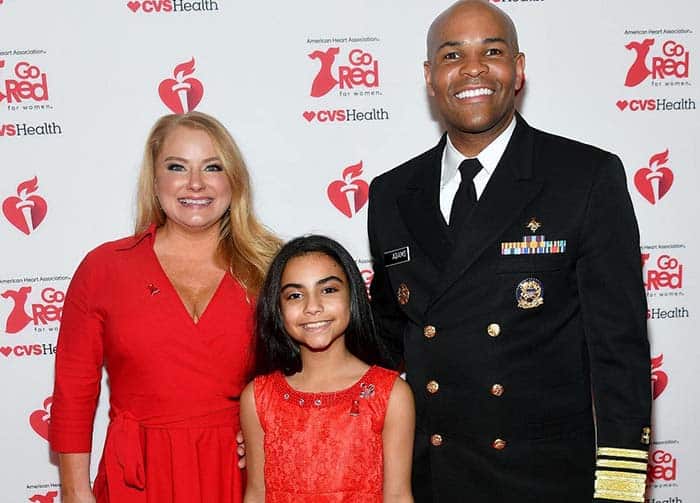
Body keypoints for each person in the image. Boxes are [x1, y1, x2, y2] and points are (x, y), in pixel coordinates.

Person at [367, 1, 652, 502]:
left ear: (517, 70)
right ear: (430, 77)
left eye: (491, 51)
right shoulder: (391, 192)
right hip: (434, 477)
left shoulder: (583, 178)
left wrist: (620, 487)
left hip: (545, 480)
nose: (473, 68)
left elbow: (620, 350)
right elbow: (384, 342)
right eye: (452, 55)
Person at [48, 111, 280, 503]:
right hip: (136, 477)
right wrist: (75, 491)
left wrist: (273, 431)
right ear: (155, 180)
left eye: (212, 167)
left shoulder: (271, 268)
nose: (195, 184)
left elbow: (310, 372)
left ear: (233, 181)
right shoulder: (105, 269)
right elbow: (73, 392)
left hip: (240, 476)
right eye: (177, 167)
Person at [240, 235, 415, 503]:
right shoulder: (258, 398)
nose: (313, 307)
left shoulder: (390, 395)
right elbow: (256, 494)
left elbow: (398, 496)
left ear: (353, 295)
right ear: (278, 308)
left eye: (328, 290)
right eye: (295, 295)